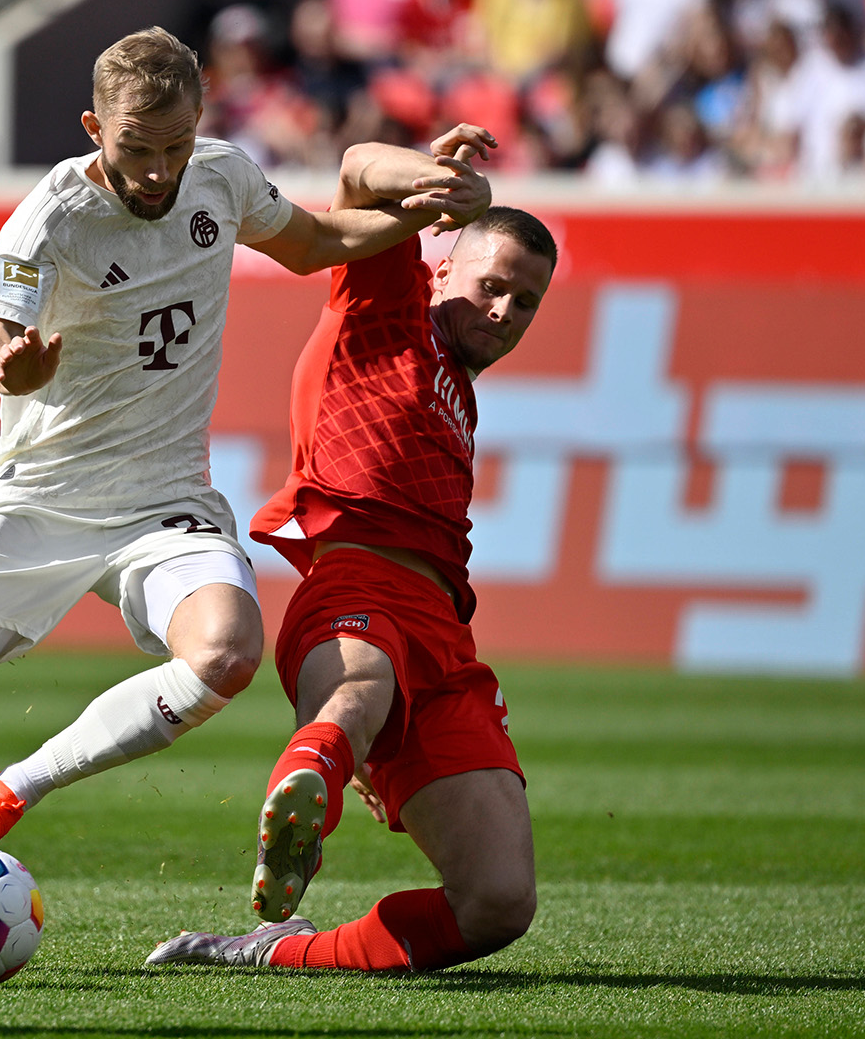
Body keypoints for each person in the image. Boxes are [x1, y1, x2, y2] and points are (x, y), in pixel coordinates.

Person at [0, 26, 494, 969]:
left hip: (163, 500)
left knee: (228, 655)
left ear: (198, 125)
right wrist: (9, 361)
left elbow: (320, 240)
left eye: (175, 145)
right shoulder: (52, 216)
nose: (160, 170)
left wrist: (426, 208)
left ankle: (12, 789)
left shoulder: (220, 179)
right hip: (36, 501)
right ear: (95, 127)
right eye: (138, 148)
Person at [145, 144, 558, 975]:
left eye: (526, 302)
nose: (506, 310)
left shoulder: (458, 388)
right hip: (357, 582)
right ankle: (316, 780)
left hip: (445, 643)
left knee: (498, 903)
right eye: (492, 286)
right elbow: (359, 167)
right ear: (442, 269)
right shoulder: (389, 301)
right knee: (356, 691)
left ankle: (282, 950)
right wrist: (443, 185)